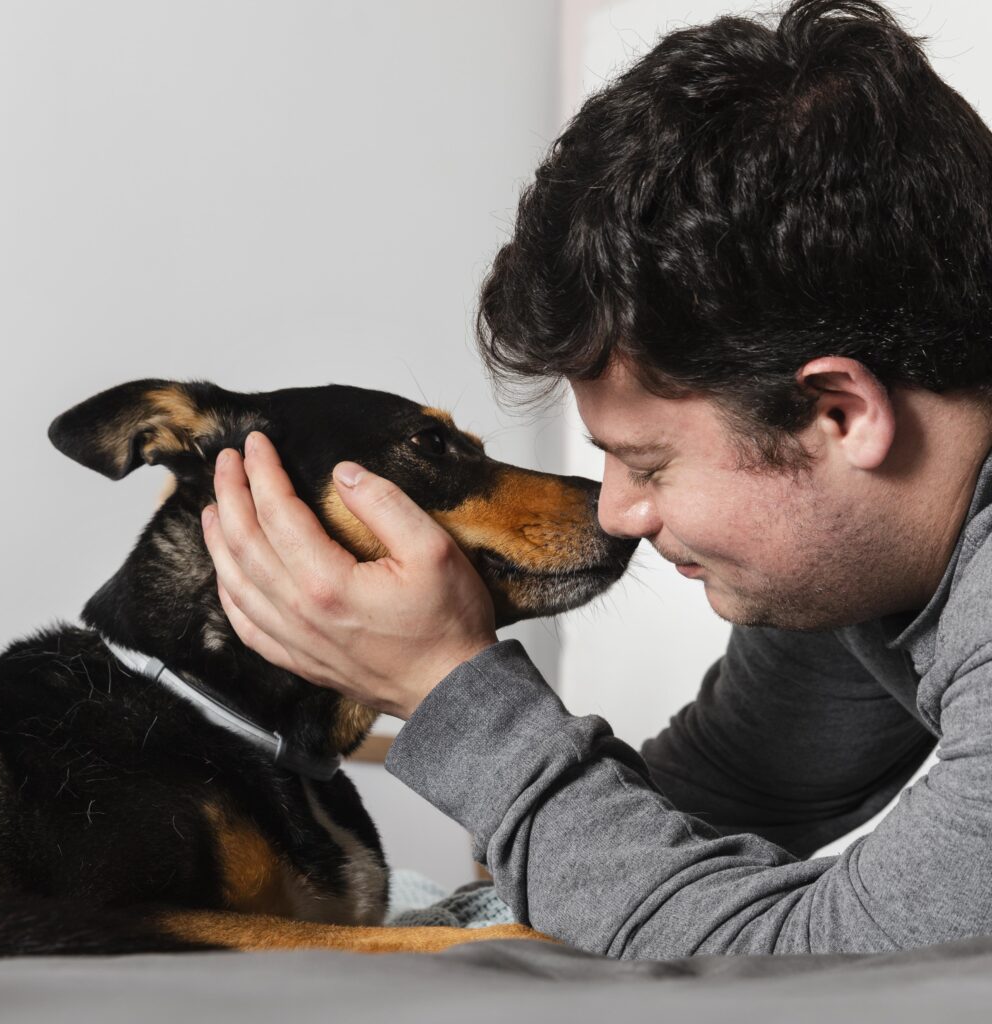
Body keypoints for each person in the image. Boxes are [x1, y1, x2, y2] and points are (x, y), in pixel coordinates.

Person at [200, 0, 992, 956]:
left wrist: (450, 687)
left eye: (649, 461)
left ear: (841, 414)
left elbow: (802, 974)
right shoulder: (871, 562)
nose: (617, 513)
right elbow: (715, 798)